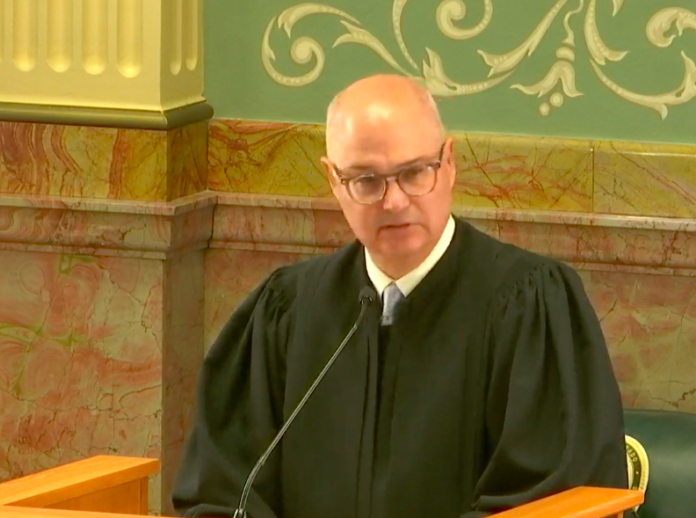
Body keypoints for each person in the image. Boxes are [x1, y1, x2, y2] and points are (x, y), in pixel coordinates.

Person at [172, 75, 630, 518]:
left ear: (449, 163)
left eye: (414, 173)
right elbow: (223, 490)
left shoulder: (529, 305)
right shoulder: (286, 312)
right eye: (367, 181)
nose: (393, 202)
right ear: (333, 181)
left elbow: (554, 500)